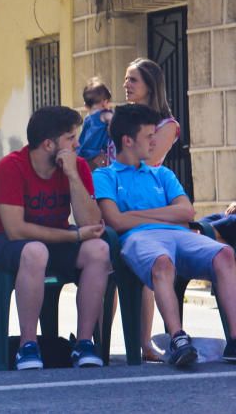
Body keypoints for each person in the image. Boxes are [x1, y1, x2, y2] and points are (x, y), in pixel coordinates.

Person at [96, 103, 236, 366]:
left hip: (176, 235)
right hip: (139, 240)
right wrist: (162, 213)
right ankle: (178, 339)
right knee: (162, 263)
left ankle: (235, 340)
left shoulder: (162, 173)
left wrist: (137, 216)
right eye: (149, 136)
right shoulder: (104, 175)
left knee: (225, 253)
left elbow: (186, 211)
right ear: (127, 140)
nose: (154, 142)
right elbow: (114, 220)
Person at [0, 106, 110, 370]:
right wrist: (73, 236)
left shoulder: (78, 167)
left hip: (54, 240)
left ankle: (84, 343)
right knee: (35, 251)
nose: (78, 144)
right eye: (71, 138)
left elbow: (91, 223)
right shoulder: (10, 167)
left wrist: (73, 175)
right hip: (6, 243)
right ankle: (27, 346)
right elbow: (16, 230)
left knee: (98, 250)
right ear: (49, 144)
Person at [115, 57, 181, 362]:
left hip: (146, 202)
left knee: (146, 270)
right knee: (105, 266)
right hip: (111, 194)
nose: (126, 85)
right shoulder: (120, 120)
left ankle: (144, 342)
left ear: (150, 86)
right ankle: (97, 341)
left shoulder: (167, 126)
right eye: (126, 79)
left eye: (133, 80)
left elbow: (148, 161)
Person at [77, 77, 113, 170]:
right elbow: (114, 123)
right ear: (105, 102)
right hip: (98, 152)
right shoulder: (105, 114)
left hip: (84, 152)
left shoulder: (88, 118)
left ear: (86, 105)